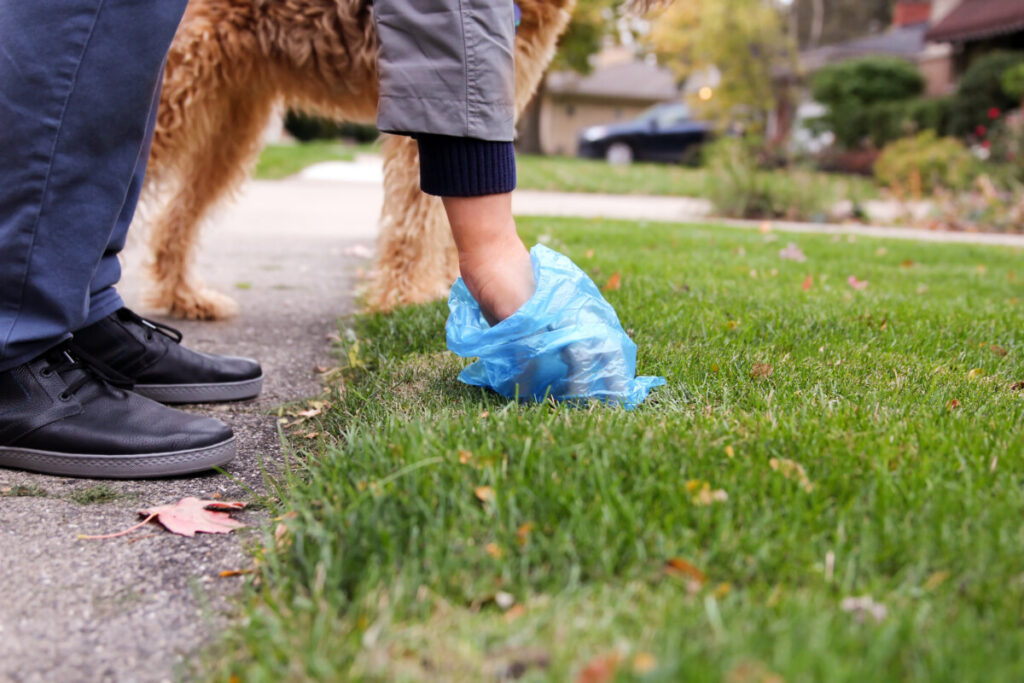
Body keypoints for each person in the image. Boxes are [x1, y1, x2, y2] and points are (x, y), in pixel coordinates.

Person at [0, 0, 529, 478]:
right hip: (246, 17)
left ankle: (83, 303)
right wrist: (488, 247)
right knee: (110, 50)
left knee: (132, 64)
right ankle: (16, 334)